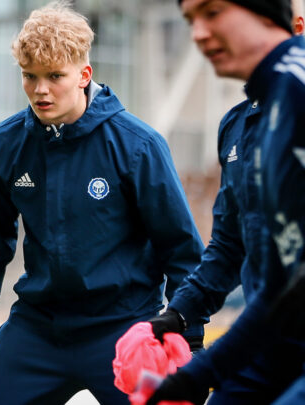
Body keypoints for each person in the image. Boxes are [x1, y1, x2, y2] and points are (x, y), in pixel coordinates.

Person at [0, 2, 205, 404]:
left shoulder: (138, 145)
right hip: (39, 329)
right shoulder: (5, 144)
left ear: (84, 75)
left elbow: (181, 247)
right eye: (29, 77)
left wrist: (191, 335)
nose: (40, 90)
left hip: (123, 326)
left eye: (54, 76)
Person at [145, 0, 305, 404]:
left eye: (212, 12)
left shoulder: (297, 91)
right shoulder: (243, 122)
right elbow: (234, 245)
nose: (198, 33)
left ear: (268, 12)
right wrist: (181, 312)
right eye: (190, 19)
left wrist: (201, 373)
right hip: (273, 335)